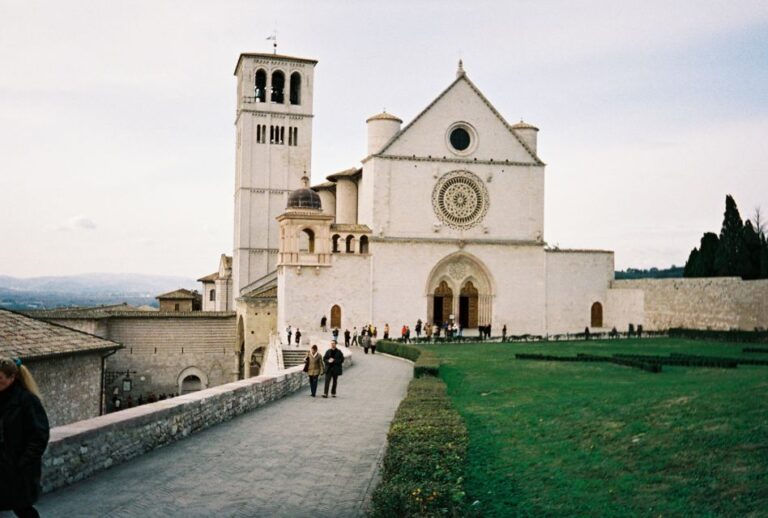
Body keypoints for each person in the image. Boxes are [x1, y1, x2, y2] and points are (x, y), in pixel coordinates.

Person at [0, 358, 50, 518]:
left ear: (12, 377)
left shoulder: (27, 401)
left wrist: (22, 463)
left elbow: (39, 435)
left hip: (17, 469)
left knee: (23, 509)